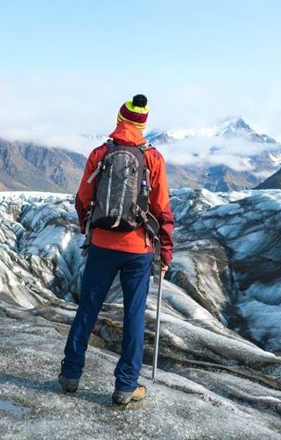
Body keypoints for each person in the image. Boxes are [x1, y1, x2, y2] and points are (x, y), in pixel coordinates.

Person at [58, 94, 174, 405]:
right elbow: (162, 209)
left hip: (102, 246)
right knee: (134, 315)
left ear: (120, 120)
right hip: (138, 250)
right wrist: (165, 252)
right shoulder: (153, 158)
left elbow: (82, 199)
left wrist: (90, 229)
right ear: (143, 124)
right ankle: (125, 386)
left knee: (88, 309)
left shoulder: (100, 153)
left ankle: (70, 374)